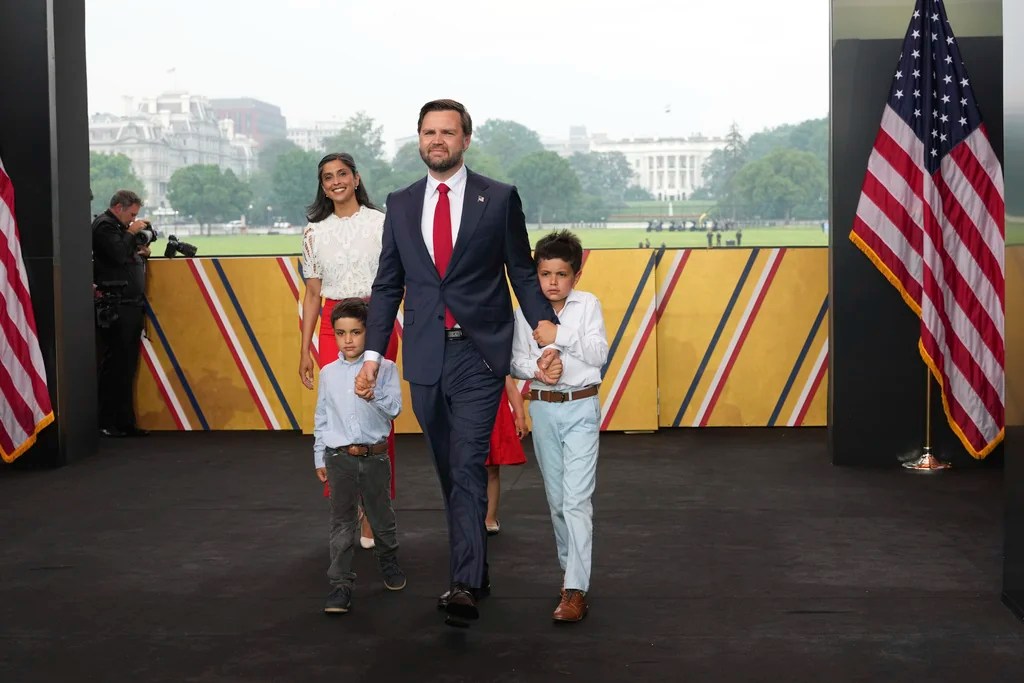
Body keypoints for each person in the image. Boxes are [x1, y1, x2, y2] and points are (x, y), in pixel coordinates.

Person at [356, 99, 560, 628]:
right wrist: (374, 355)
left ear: (466, 139)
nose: (438, 140)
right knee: (451, 469)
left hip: (478, 352)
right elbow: (386, 284)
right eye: (429, 132)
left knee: (468, 461)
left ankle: (464, 583)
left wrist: (543, 325)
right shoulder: (399, 204)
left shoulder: (500, 198)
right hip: (424, 355)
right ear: (419, 140)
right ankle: (477, 567)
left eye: (448, 132)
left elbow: (520, 266)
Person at [299, 152, 397, 549]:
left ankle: (375, 510)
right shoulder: (313, 231)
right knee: (338, 414)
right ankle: (348, 508)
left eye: (342, 174)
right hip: (330, 323)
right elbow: (311, 294)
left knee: (374, 411)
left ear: (356, 179)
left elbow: (396, 279)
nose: (336, 181)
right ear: (322, 186)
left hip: (376, 320)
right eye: (327, 177)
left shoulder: (382, 223)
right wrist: (304, 348)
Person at [512, 230, 609, 623]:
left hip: (582, 406)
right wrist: (536, 368)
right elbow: (515, 360)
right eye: (545, 273)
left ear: (576, 275)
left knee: (576, 500)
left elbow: (598, 353)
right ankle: (571, 574)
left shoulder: (587, 306)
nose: (553, 282)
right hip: (545, 409)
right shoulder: (524, 311)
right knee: (557, 503)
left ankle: (575, 590)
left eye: (562, 274)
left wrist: (558, 336)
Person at [314, 299, 406, 614]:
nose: (348, 340)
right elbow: (322, 417)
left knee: (381, 517)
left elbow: (395, 409)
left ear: (369, 333)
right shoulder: (328, 373)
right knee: (341, 522)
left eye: (355, 332)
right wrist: (318, 457)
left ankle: (388, 560)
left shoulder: (387, 368)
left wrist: (373, 392)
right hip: (338, 457)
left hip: (375, 457)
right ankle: (340, 584)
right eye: (341, 333)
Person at [92, 189, 150, 438]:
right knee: (115, 366)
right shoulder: (104, 227)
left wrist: (140, 250)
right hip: (117, 304)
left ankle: (124, 421)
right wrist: (131, 233)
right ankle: (106, 421)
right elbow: (116, 255)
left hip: (131, 304)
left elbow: (125, 252)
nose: (132, 220)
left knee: (126, 367)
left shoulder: (119, 229)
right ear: (118, 207)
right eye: (131, 215)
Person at [485, 377, 529, 535]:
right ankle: (469, 515)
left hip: (495, 416)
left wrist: (521, 418)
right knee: (467, 471)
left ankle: (490, 517)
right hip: (470, 415)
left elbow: (512, 390)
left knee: (492, 469)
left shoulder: (497, 361)